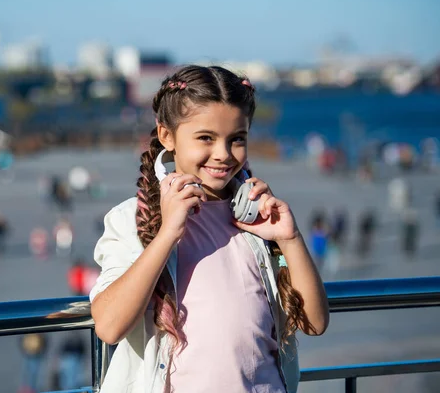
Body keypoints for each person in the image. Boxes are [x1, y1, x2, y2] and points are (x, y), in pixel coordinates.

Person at [89, 66, 329, 393]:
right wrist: (167, 234)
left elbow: (313, 322)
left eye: (237, 139)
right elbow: (109, 326)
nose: (223, 154)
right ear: (167, 136)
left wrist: (289, 242)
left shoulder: (258, 221)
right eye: (205, 138)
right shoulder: (131, 219)